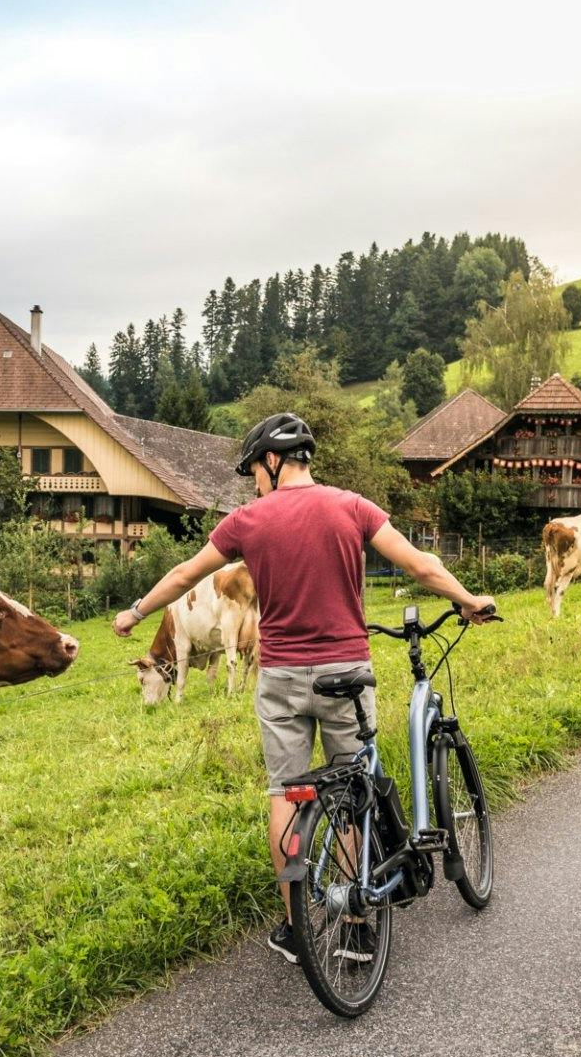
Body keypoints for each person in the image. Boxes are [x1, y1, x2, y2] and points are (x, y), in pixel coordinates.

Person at [113, 413, 495, 963]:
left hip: (281, 679)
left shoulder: (247, 521)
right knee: (353, 793)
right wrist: (466, 599)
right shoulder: (353, 507)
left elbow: (183, 576)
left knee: (287, 793)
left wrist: (134, 612)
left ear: (271, 461)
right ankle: (358, 920)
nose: (254, 484)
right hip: (347, 673)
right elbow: (421, 564)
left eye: (253, 472)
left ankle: (296, 924)